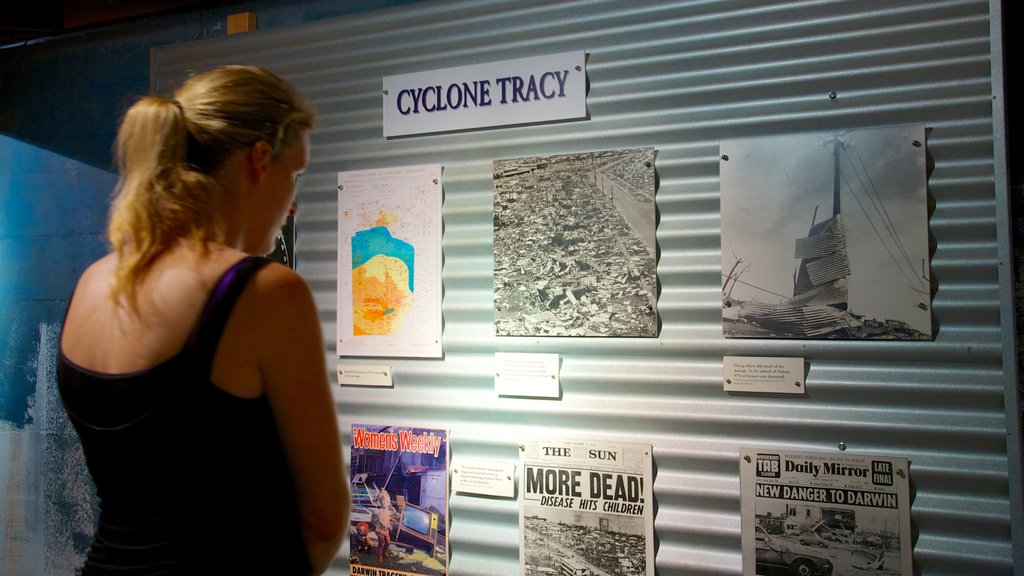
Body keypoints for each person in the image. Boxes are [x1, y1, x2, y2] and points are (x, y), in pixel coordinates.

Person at [57, 65, 349, 575]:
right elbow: (325, 521)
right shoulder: (263, 292)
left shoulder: (92, 283)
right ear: (260, 160)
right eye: (295, 175)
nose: (295, 206)